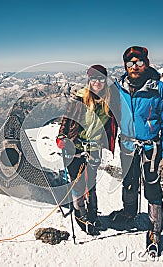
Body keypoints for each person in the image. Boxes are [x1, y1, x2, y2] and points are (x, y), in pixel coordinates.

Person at [112, 46, 163, 255]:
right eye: (130, 63)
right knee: (129, 183)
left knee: (152, 188)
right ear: (125, 66)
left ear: (146, 64)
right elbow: (99, 104)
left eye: (139, 62)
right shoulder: (118, 87)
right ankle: (129, 214)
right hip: (128, 145)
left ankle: (154, 231)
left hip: (151, 148)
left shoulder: (160, 89)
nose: (135, 67)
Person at [56, 64, 118, 235]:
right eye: (94, 79)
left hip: (94, 148)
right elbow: (66, 120)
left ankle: (92, 213)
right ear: (89, 81)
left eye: (100, 79)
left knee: (91, 182)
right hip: (74, 147)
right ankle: (80, 212)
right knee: (77, 182)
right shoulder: (79, 99)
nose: (97, 82)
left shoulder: (109, 100)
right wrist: (61, 137)